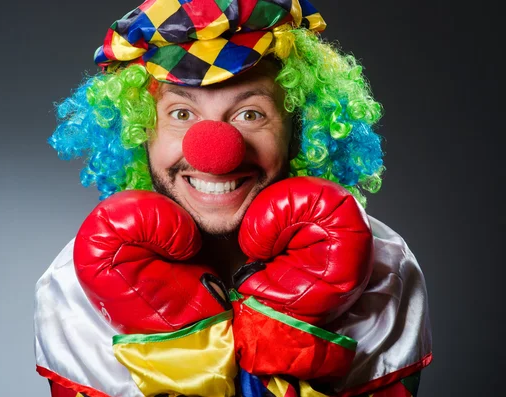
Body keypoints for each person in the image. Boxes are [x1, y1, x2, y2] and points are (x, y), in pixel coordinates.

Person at [33, 1, 433, 396]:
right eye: (181, 114)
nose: (215, 152)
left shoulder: (382, 272)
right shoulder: (74, 290)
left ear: (300, 128)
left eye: (250, 114)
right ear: (139, 131)